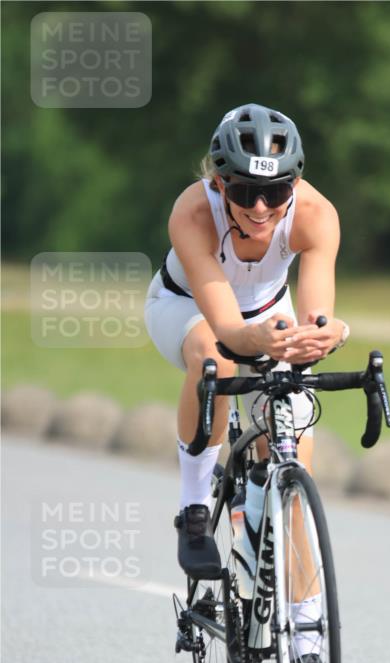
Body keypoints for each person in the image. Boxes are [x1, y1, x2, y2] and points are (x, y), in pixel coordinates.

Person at [144, 103, 349, 586]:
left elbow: (315, 315)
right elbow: (230, 331)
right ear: (220, 183)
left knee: (295, 466)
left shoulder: (317, 215)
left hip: (267, 314)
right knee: (216, 358)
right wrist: (256, 340)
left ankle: (304, 642)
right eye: (244, 191)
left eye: (275, 191)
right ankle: (193, 509)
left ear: (294, 185)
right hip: (187, 306)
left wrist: (327, 333)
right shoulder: (194, 212)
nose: (260, 208)